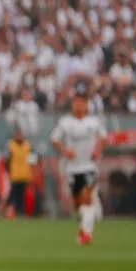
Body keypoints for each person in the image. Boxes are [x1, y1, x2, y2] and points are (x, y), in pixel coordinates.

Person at [51, 88, 106, 244]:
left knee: (86, 196)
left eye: (83, 102)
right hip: (72, 167)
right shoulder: (65, 122)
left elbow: (103, 138)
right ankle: (87, 219)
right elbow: (55, 139)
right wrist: (64, 150)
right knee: (77, 203)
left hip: (89, 165)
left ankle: (86, 233)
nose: (79, 105)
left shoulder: (94, 122)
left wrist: (97, 150)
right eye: (77, 102)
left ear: (87, 105)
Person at [3, 129, 34, 218]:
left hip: (25, 175)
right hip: (14, 175)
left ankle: (19, 213)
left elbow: (32, 160)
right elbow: (6, 160)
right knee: (12, 195)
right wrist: (8, 171)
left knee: (22, 197)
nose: (19, 136)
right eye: (18, 134)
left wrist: (32, 172)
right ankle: (7, 211)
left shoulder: (28, 145)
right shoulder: (10, 145)